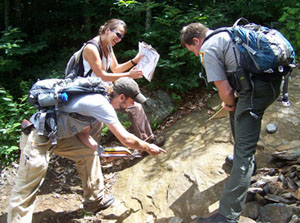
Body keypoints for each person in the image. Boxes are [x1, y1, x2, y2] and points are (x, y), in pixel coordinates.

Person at [7, 77, 167, 223]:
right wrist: (148, 146)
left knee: (88, 153)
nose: (131, 106)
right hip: (38, 137)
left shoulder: (99, 101)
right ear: (122, 97)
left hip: (58, 138)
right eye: (131, 102)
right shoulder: (100, 103)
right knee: (26, 187)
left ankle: (94, 201)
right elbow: (126, 139)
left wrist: (101, 151)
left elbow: (84, 135)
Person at [180, 23, 282, 223]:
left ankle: (227, 216)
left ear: (195, 41)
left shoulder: (208, 49)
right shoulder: (227, 33)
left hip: (254, 92)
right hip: (269, 83)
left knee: (244, 151)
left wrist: (228, 103)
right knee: (235, 114)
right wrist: (231, 104)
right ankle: (245, 167)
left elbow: (225, 91)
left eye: (192, 50)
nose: (194, 54)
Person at [81, 18, 165, 146]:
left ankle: (148, 141)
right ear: (108, 30)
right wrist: (129, 75)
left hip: (101, 89)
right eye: (118, 34)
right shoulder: (91, 48)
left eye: (122, 37)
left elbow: (115, 69)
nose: (119, 39)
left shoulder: (108, 47)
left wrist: (134, 61)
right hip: (87, 93)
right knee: (97, 127)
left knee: (134, 105)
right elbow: (102, 75)